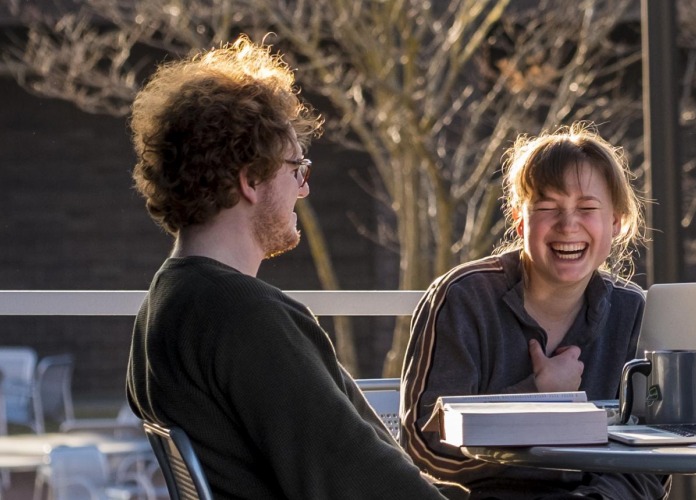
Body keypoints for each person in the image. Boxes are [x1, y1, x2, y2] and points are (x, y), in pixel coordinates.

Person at [125, 36, 464, 499]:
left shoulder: (166, 303)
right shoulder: (245, 318)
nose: (303, 190)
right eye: (296, 169)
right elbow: (358, 480)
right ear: (250, 180)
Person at [399, 124, 664, 499]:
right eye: (547, 207)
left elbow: (651, 463)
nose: (568, 224)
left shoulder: (633, 309)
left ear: (617, 221)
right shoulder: (462, 298)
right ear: (519, 218)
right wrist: (538, 398)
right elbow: (425, 450)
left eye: (587, 208)